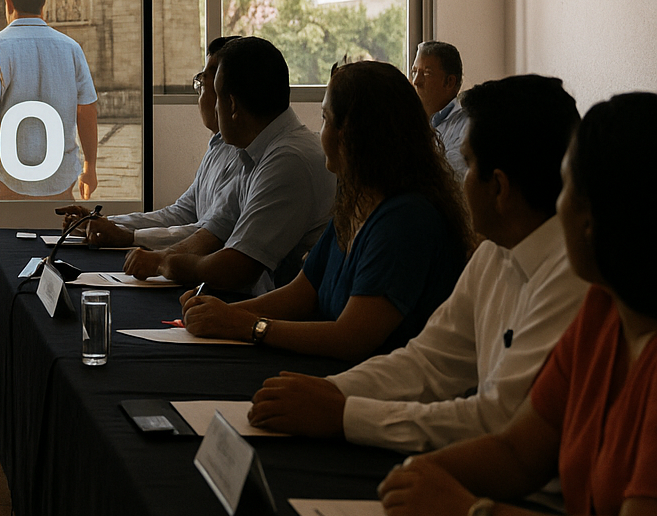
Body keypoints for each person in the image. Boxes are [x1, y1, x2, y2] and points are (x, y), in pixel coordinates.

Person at [380, 94, 657, 516]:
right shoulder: (601, 311)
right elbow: (518, 452)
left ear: (593, 219)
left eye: (566, 189)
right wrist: (418, 474)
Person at [249, 75, 584, 446]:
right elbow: (429, 361)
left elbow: (499, 419)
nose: (462, 181)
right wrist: (332, 391)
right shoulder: (493, 254)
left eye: (468, 164)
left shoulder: (572, 280)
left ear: (499, 188)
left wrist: (344, 413)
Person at [179, 60, 473, 359]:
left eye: (325, 118)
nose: (321, 132)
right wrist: (224, 312)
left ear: (351, 134)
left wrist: (249, 326)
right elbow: (302, 293)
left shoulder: (406, 219)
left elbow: (352, 338)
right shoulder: (357, 201)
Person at [123, 36, 334, 295]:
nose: (214, 107)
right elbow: (212, 232)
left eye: (217, 98)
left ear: (232, 105)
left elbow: (236, 267)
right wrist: (160, 256)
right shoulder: (255, 152)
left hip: (287, 312)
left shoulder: (289, 160)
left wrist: (164, 263)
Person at [59, 36, 242, 247]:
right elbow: (182, 213)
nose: (200, 97)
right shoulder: (218, 145)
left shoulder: (246, 157)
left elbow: (209, 234)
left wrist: (130, 237)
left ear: (227, 96)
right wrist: (103, 222)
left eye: (202, 83)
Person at [0, 0, 99, 200]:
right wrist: (90, 166)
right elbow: (86, 109)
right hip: (61, 176)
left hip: (9, 178)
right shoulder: (71, 48)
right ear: (44, 1)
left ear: (8, 1)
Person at [412, 40, 468, 181]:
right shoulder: (408, 124)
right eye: (414, 72)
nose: (416, 81)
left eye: (426, 73)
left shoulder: (466, 128)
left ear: (449, 82)